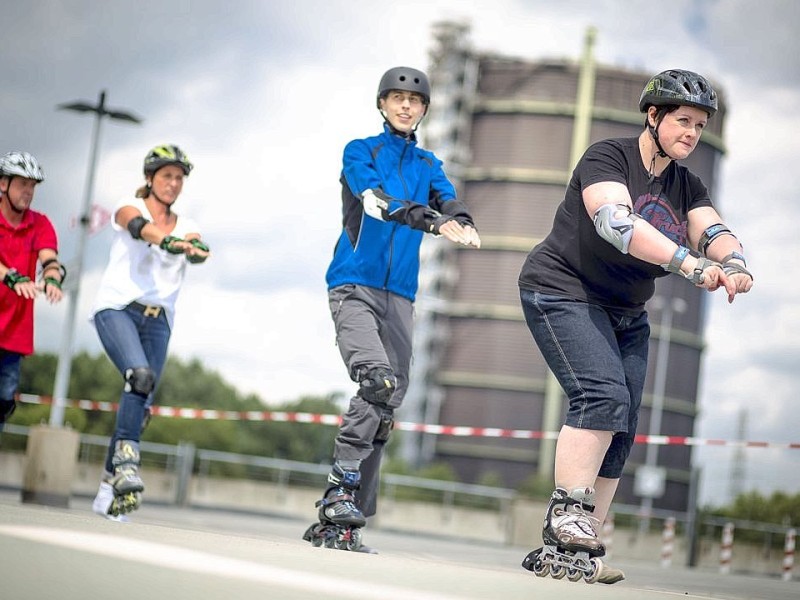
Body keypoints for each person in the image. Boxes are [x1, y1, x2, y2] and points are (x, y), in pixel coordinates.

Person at [517, 69, 753, 584]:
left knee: (622, 422)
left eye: (700, 126)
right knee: (600, 395)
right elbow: (615, 223)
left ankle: (584, 540)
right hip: (563, 290)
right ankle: (567, 514)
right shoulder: (609, 156)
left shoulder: (686, 183)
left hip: (626, 309)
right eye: (683, 121)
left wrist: (734, 264)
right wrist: (689, 265)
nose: (692, 133)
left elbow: (711, 227)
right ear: (653, 115)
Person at [303, 66, 481, 552]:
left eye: (415, 100)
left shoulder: (427, 163)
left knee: (389, 403)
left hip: (400, 296)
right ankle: (339, 490)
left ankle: (350, 511)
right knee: (375, 380)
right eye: (396, 98)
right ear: (382, 104)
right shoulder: (361, 151)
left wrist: (460, 220)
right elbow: (377, 203)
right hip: (353, 286)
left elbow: (448, 198)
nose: (406, 106)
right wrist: (433, 222)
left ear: (424, 110)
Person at [90, 144, 209, 520]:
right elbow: (136, 227)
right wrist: (168, 241)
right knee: (139, 376)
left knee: (139, 404)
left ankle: (110, 485)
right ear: (150, 178)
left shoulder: (187, 224)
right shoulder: (131, 206)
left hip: (159, 321)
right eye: (166, 176)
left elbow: (200, 248)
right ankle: (128, 463)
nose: (173, 184)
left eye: (178, 178)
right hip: (118, 309)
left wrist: (194, 249)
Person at [0, 151, 65, 436]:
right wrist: (11, 277)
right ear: (4, 183)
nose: (28, 191)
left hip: (14, 333)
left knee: (3, 402)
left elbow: (50, 260)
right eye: (22, 184)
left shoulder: (40, 224)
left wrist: (53, 279)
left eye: (33, 186)